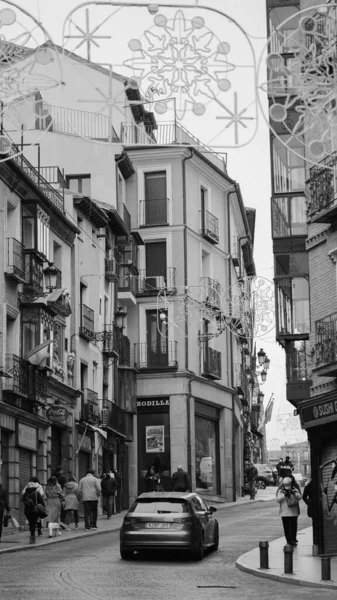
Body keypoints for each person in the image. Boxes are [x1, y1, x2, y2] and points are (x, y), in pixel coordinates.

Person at [276, 476, 302, 546]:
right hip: (285, 512)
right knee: (286, 528)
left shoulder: (294, 489)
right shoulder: (281, 491)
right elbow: (278, 499)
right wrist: (284, 495)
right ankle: (289, 540)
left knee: (293, 527)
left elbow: (300, 497)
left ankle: (293, 539)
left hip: (293, 512)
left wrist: (295, 494)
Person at [22, 477, 46, 544]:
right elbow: (42, 502)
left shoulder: (25, 493)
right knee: (33, 523)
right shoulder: (36, 493)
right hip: (34, 510)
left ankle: (32, 535)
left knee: (30, 523)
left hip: (27, 511)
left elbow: (23, 500)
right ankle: (32, 536)